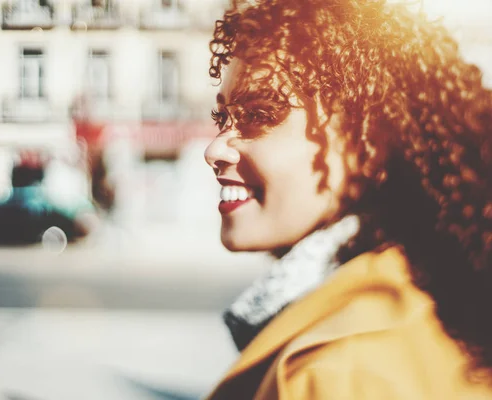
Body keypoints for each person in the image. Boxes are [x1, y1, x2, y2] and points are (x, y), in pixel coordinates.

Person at [203, 0, 492, 398]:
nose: (214, 150)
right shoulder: (426, 305)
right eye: (222, 119)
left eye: (258, 114)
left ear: (368, 144)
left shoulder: (335, 373)